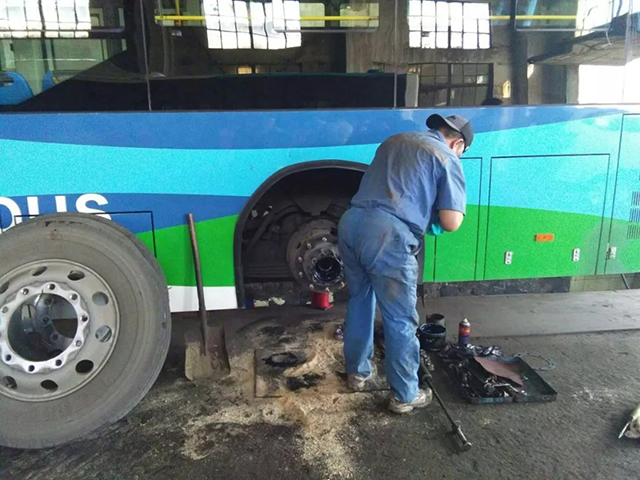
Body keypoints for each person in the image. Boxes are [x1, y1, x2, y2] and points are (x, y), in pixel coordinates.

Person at [338, 114, 472, 413]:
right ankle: (405, 394)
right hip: (387, 235)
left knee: (360, 300)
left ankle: (357, 373)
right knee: (400, 317)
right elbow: (451, 222)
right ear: (458, 143)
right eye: (462, 151)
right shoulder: (446, 156)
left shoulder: (395, 140)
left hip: (351, 223)